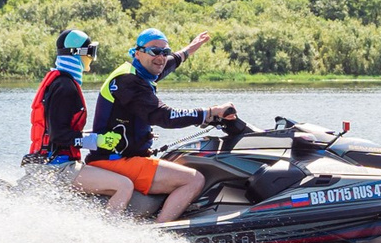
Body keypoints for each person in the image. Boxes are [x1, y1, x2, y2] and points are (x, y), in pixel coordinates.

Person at [87, 27, 234, 225]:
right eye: (155, 51)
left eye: (165, 52)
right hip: (114, 161)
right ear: (137, 53)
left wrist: (191, 48)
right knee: (194, 179)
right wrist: (208, 112)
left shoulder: (143, 71)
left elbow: (171, 62)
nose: (161, 57)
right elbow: (164, 116)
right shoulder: (128, 81)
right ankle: (160, 232)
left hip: (129, 158)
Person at [25, 28, 139, 211]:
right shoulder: (65, 88)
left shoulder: (60, 81)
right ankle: (110, 227)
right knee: (124, 186)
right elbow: (59, 136)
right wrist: (96, 141)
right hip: (57, 167)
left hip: (49, 163)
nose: (92, 58)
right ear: (77, 53)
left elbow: (60, 130)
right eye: (91, 52)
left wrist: (97, 136)